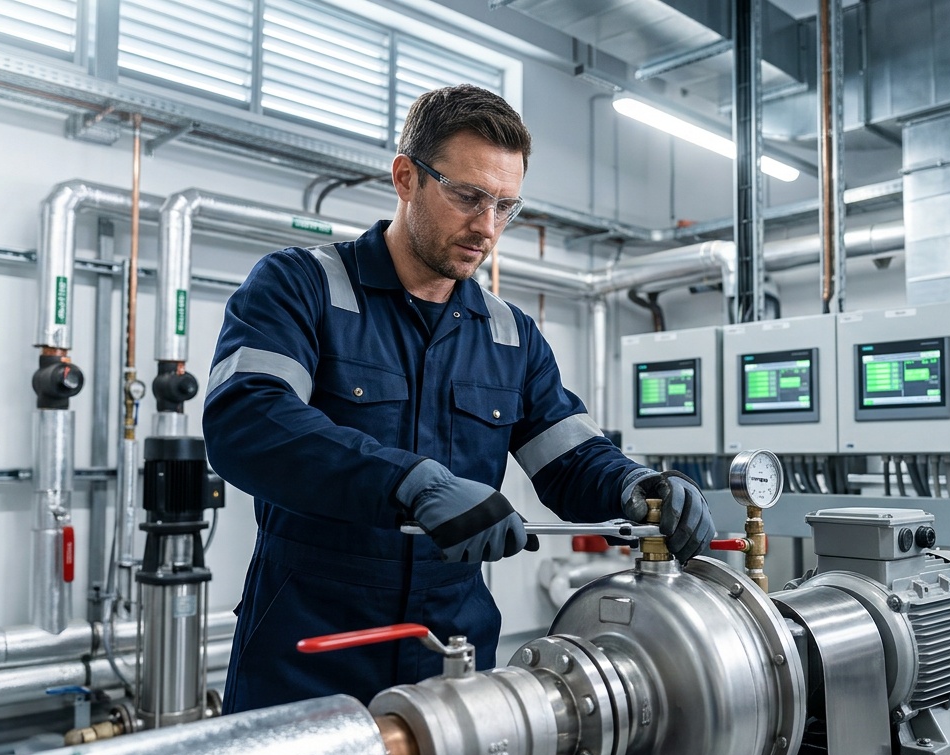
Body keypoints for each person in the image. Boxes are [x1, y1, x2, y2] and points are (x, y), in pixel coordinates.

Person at [203, 84, 716, 714]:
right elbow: (247, 420)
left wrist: (636, 486)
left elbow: (570, 457)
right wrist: (409, 481)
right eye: (469, 196)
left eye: (506, 206)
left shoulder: (509, 335)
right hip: (311, 654)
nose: (488, 227)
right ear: (406, 179)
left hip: (453, 658)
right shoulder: (300, 286)